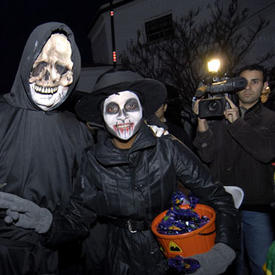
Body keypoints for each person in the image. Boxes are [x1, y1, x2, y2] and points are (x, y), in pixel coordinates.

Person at [62, 68, 237, 275]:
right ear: (102, 115)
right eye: (112, 109)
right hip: (120, 259)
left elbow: (218, 197)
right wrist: (43, 223)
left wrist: (224, 248)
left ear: (143, 110)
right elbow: (77, 216)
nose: (122, 116)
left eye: (130, 106)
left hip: (169, 254)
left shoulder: (168, 149)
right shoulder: (92, 160)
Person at [0, 21, 100, 275]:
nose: (50, 77)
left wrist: (51, 224)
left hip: (56, 258)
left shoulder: (77, 131)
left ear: (72, 74)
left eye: (61, 68)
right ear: (27, 64)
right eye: (41, 64)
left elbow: (88, 203)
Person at [193, 64, 275, 275]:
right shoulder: (217, 114)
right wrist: (202, 124)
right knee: (230, 266)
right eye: (243, 82)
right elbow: (206, 156)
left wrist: (237, 122)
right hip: (225, 206)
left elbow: (266, 152)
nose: (248, 87)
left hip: (257, 207)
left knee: (261, 265)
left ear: (265, 86)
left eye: (255, 81)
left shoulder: (270, 119)